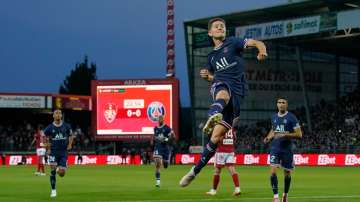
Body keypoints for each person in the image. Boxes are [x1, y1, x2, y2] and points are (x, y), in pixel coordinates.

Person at [180, 17, 267, 187]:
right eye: (217, 26)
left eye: (222, 26)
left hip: (237, 94)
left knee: (215, 137)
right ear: (210, 33)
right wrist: (208, 77)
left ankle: (194, 171)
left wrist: (262, 51)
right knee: (222, 92)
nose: (220, 28)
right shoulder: (211, 57)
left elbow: (257, 42)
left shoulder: (233, 42)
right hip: (221, 87)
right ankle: (212, 115)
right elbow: (213, 78)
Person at [263, 98, 302, 202]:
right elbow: (273, 129)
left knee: (287, 174)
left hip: (287, 149)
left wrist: (285, 134)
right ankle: (276, 196)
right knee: (272, 172)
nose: (281, 104)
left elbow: (299, 134)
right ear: (277, 104)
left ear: (287, 105)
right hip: (275, 148)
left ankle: (285, 194)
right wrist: (268, 137)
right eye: (279, 102)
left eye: (283, 103)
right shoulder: (274, 117)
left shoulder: (292, 117)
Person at [206, 118, 241, 196]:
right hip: (230, 151)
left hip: (221, 151)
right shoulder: (231, 127)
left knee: (217, 171)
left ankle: (213, 190)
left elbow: (218, 138)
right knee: (232, 170)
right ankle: (237, 188)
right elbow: (235, 138)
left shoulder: (221, 126)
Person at [44, 109, 75, 198]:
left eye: (59, 113)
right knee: (52, 171)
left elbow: (71, 135)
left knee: (62, 174)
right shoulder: (49, 127)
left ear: (61, 116)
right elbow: (44, 137)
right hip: (53, 152)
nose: (58, 114)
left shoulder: (66, 126)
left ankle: (59, 168)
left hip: (63, 152)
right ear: (53, 116)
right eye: (56, 113)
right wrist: (48, 148)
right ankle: (53, 190)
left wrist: (69, 144)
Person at [151, 115, 175, 187]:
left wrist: (168, 138)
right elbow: (155, 137)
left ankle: (166, 161)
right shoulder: (155, 128)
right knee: (158, 163)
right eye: (159, 119)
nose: (160, 120)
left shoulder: (167, 128)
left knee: (165, 165)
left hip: (165, 148)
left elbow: (173, 136)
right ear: (158, 120)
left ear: (163, 120)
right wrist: (153, 140)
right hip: (158, 147)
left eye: (161, 119)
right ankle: (158, 181)